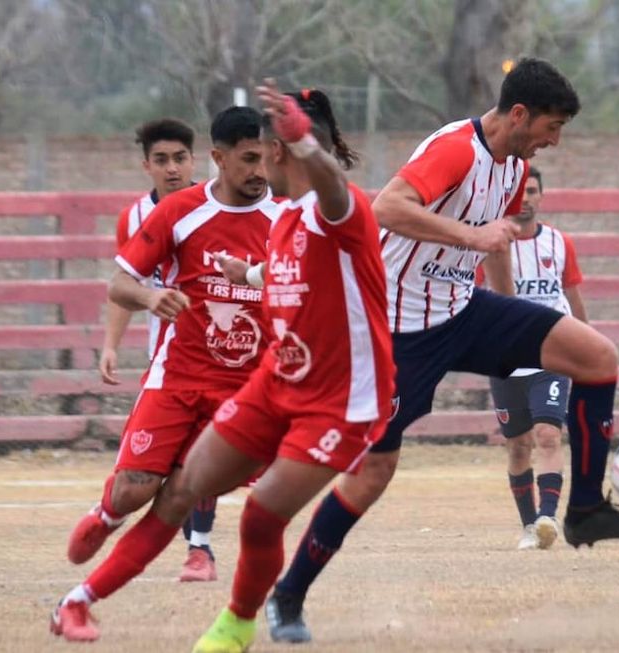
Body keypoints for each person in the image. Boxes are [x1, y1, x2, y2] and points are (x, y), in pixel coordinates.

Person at [268, 57, 619, 642]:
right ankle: (288, 595)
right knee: (373, 472)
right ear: (521, 114)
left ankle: (583, 511)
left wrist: (516, 328)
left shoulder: (514, 164)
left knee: (597, 357)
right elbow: (387, 207)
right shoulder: (457, 147)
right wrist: (471, 237)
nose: (555, 141)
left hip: (464, 310)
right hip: (398, 330)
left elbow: (497, 243)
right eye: (552, 127)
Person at [164, 82, 392, 653]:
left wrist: (307, 144)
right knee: (212, 485)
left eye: (271, 143)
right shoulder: (288, 215)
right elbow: (292, 272)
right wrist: (248, 277)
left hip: (344, 394)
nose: (263, 154)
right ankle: (257, 596)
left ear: (281, 148)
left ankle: (258, 611)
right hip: (291, 381)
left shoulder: (336, 203)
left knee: (268, 506)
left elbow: (336, 192)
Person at [50, 105, 283, 642]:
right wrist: (153, 295)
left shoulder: (286, 220)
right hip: (176, 379)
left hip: (244, 395)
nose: (258, 172)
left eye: (265, 159)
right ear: (219, 159)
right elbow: (119, 284)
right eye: (247, 160)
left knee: (180, 499)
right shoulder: (179, 212)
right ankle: (106, 515)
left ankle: (79, 603)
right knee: (135, 489)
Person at [98, 117, 221, 581]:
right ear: (146, 165)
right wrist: (111, 346)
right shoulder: (133, 218)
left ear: (197, 160)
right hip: (166, 359)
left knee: (201, 458)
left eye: (181, 159)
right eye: (162, 160)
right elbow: (125, 284)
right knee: (151, 466)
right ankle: (112, 518)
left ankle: (200, 549)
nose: (172, 169)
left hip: (219, 356)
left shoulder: (218, 204)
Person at [479, 166, 588, 550]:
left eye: (533, 191)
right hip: (506, 360)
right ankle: (530, 526)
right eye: (520, 192)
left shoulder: (559, 244)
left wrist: (585, 346)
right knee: (518, 446)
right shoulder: (488, 245)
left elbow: (573, 300)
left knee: (547, 434)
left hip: (550, 356)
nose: (526, 198)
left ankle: (548, 517)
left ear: (542, 197)